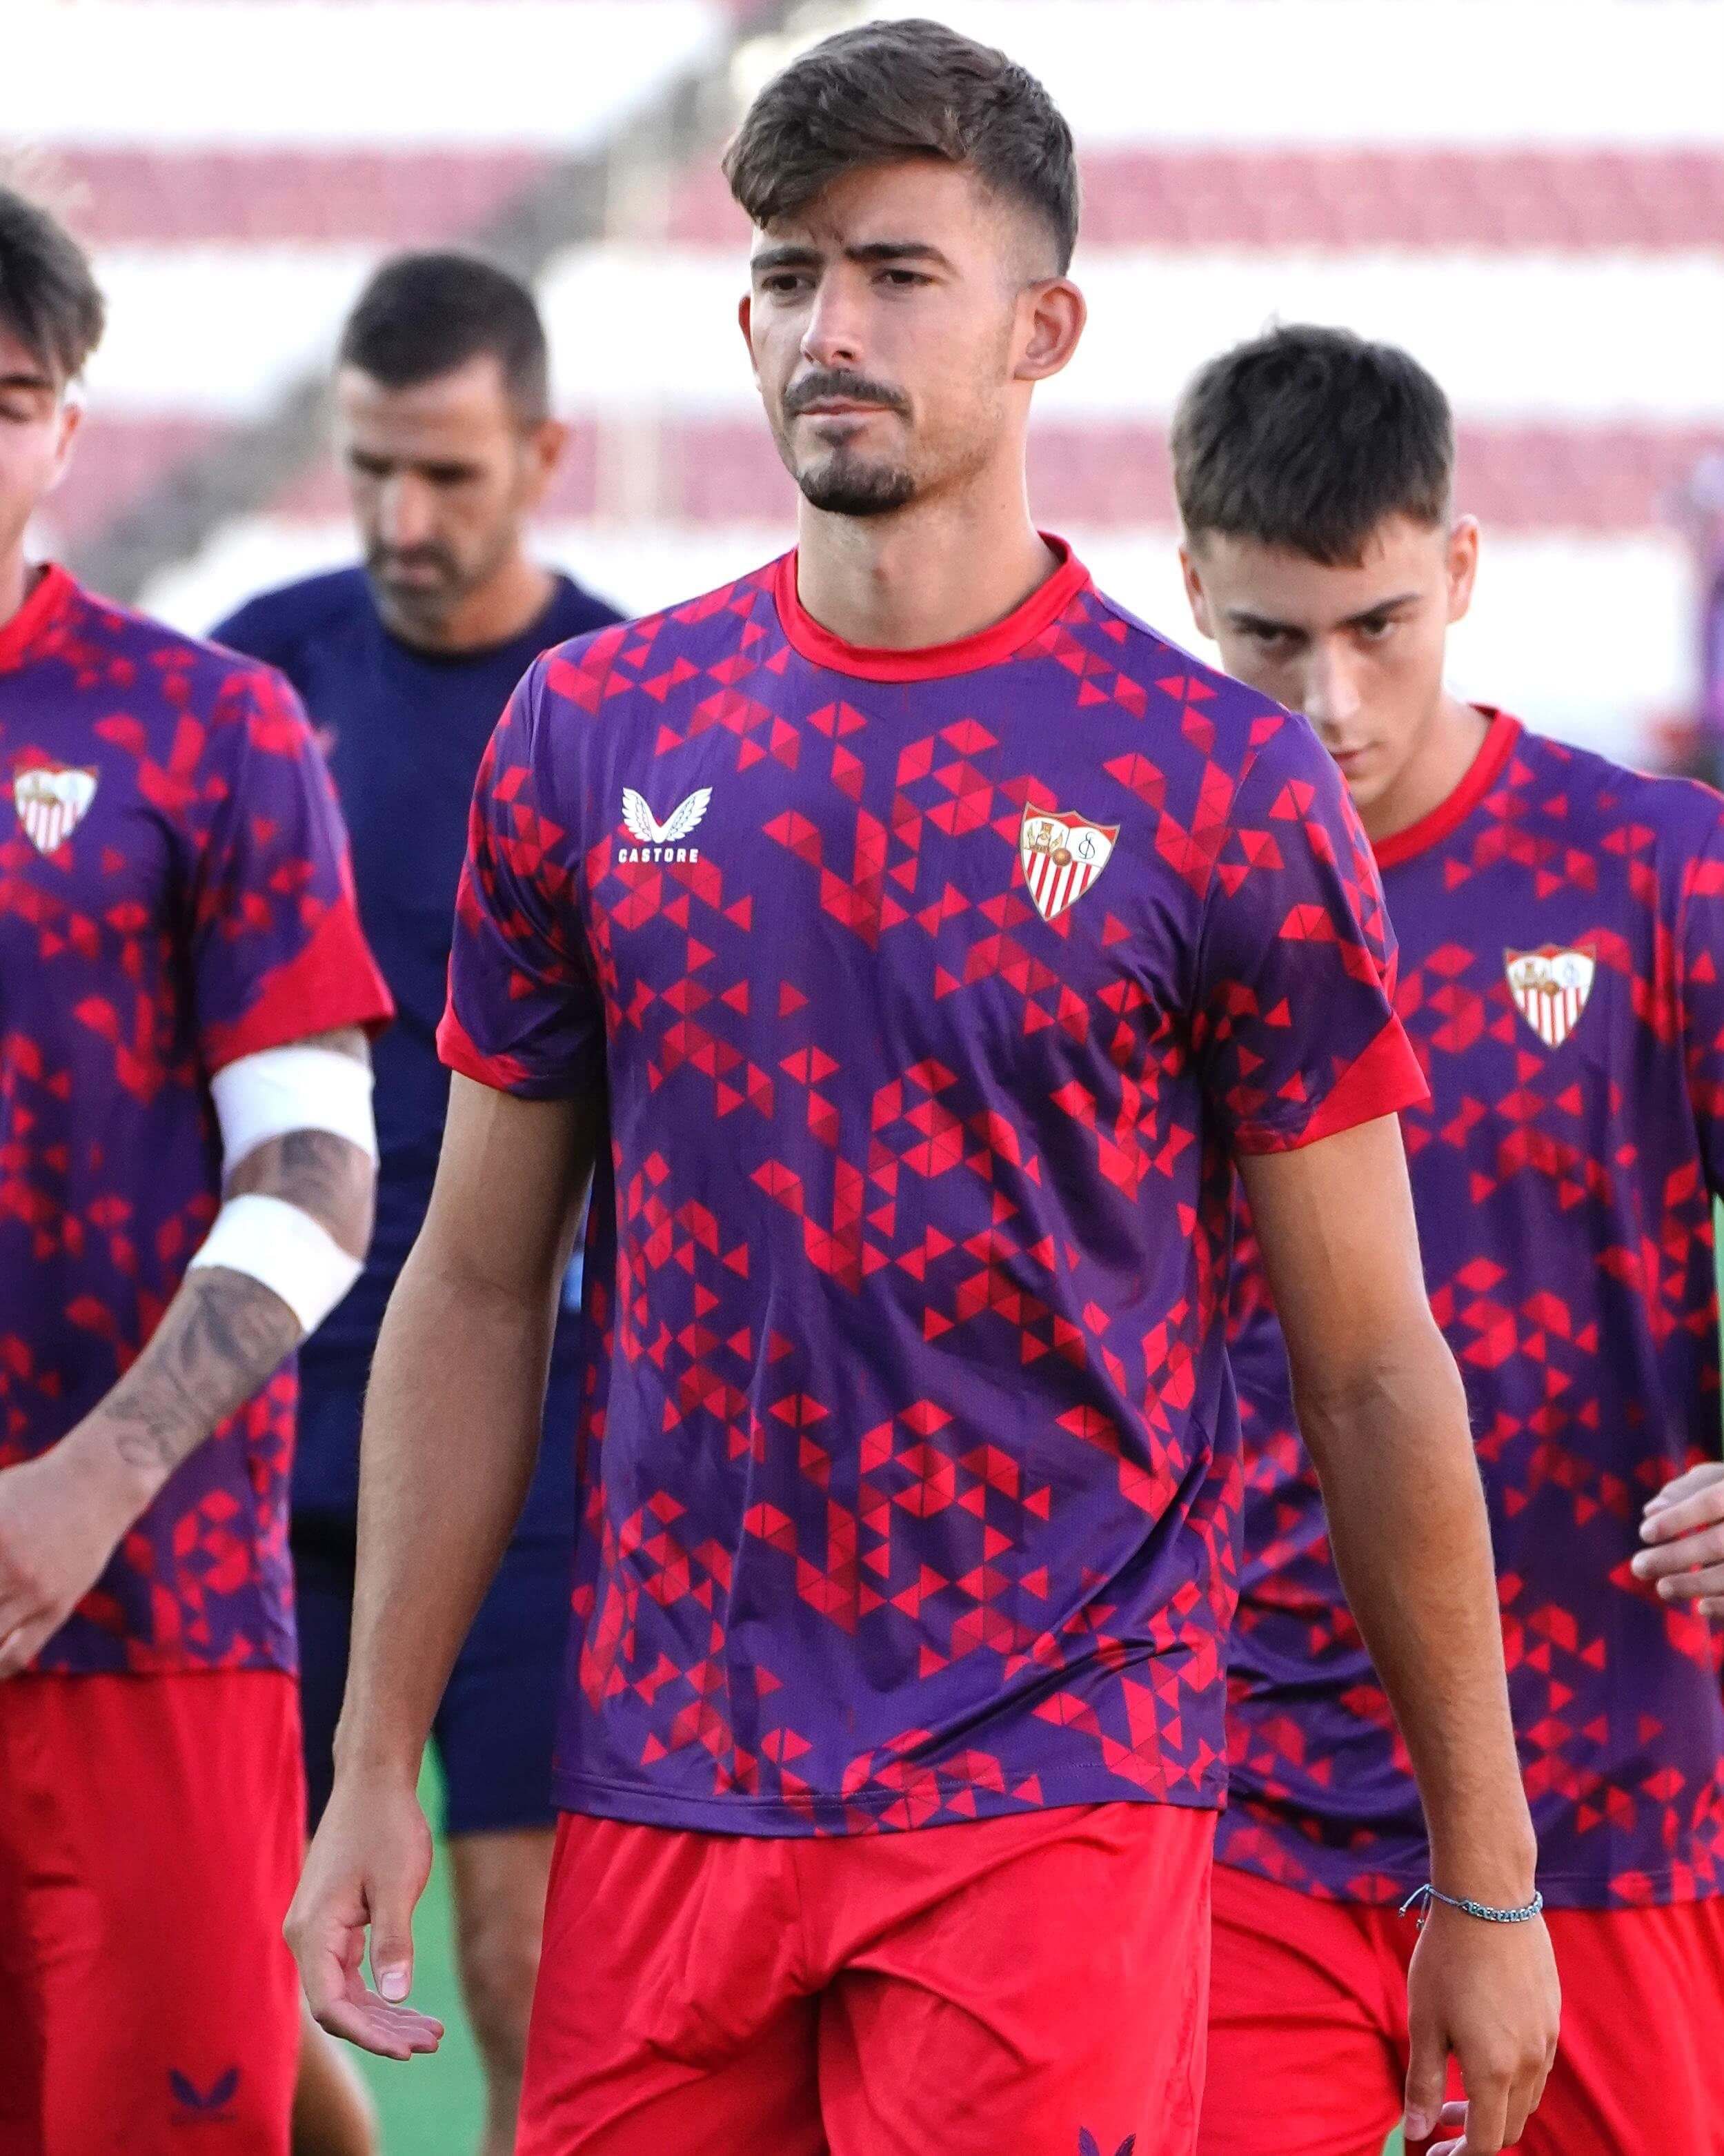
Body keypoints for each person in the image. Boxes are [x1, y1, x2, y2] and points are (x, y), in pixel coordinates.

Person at [286, 25, 1559, 2156]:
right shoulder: (590, 736)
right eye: (788, 274)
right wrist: (372, 1761)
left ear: (1043, 327)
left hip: (1054, 1783)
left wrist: (1484, 1873)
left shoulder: (1216, 789)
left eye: (895, 272)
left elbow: (1365, 1364)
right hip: (668, 1774)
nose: (829, 328)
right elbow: (481, 1283)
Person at [1173, 324, 1724, 2156]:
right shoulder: (1139, 902)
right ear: (1189, 590)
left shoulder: (1651, 876)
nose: (1328, 697)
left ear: (1459, 570)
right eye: (1269, 639)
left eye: (1377, 626)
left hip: (1616, 1792)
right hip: (1241, 1796)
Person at [0, 187, 393, 2155]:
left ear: (67, 428)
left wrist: (99, 1475)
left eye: (3, 398)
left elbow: (320, 1169)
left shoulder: (204, 729)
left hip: (145, 1627)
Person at [215, 250, 620, 2156]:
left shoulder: (633, 704)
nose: (402, 517)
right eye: (372, 467)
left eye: (448, 474)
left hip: (533, 1434)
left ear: (542, 453)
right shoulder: (255, 681)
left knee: (533, 1958)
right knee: (231, 1958)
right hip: (267, 1414)